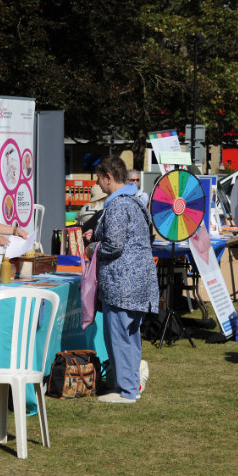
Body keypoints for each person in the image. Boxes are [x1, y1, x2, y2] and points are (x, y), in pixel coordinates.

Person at [86, 155, 159, 403]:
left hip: (121, 283)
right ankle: (127, 384)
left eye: (99, 179)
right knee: (130, 337)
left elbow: (113, 246)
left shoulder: (117, 205)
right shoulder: (135, 201)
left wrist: (92, 247)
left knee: (119, 337)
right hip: (138, 281)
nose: (98, 184)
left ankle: (127, 391)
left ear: (109, 177)